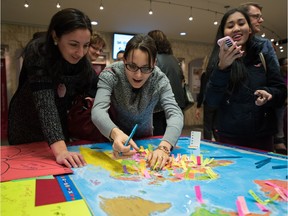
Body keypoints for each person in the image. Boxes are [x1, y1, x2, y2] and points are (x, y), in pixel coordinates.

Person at [8, 8, 98, 168]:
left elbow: (97, 90)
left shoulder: (83, 63)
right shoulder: (38, 51)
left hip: (59, 126)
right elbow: (45, 104)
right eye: (73, 44)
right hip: (26, 124)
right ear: (56, 36)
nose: (80, 52)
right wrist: (61, 150)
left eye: (86, 45)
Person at [91, 34, 184, 170]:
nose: (138, 75)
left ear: (154, 64)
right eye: (132, 66)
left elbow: (175, 113)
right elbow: (98, 110)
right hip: (112, 138)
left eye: (146, 68)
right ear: (124, 61)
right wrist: (116, 134)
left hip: (145, 141)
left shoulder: (159, 79)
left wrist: (164, 146)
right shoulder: (111, 74)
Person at [204, 8, 287, 151]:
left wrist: (269, 94)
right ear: (224, 33)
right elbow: (211, 101)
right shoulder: (217, 60)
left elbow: (281, 91)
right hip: (229, 136)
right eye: (230, 26)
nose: (236, 28)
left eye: (241, 23)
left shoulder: (263, 53)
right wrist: (222, 68)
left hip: (262, 135)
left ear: (249, 29)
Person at [147, 30, 185, 135]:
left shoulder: (154, 60)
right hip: (177, 105)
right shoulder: (175, 60)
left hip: (159, 108)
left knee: (158, 139)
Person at [195, 72, 218, 141]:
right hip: (219, 103)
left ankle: (208, 144)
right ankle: (221, 144)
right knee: (216, 127)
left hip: (209, 103)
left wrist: (198, 106)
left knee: (207, 127)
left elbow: (202, 91)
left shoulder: (205, 75)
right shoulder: (222, 72)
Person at [273, 57, 288, 154]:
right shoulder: (277, 76)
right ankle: (279, 139)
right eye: (286, 63)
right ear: (281, 66)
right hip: (281, 105)